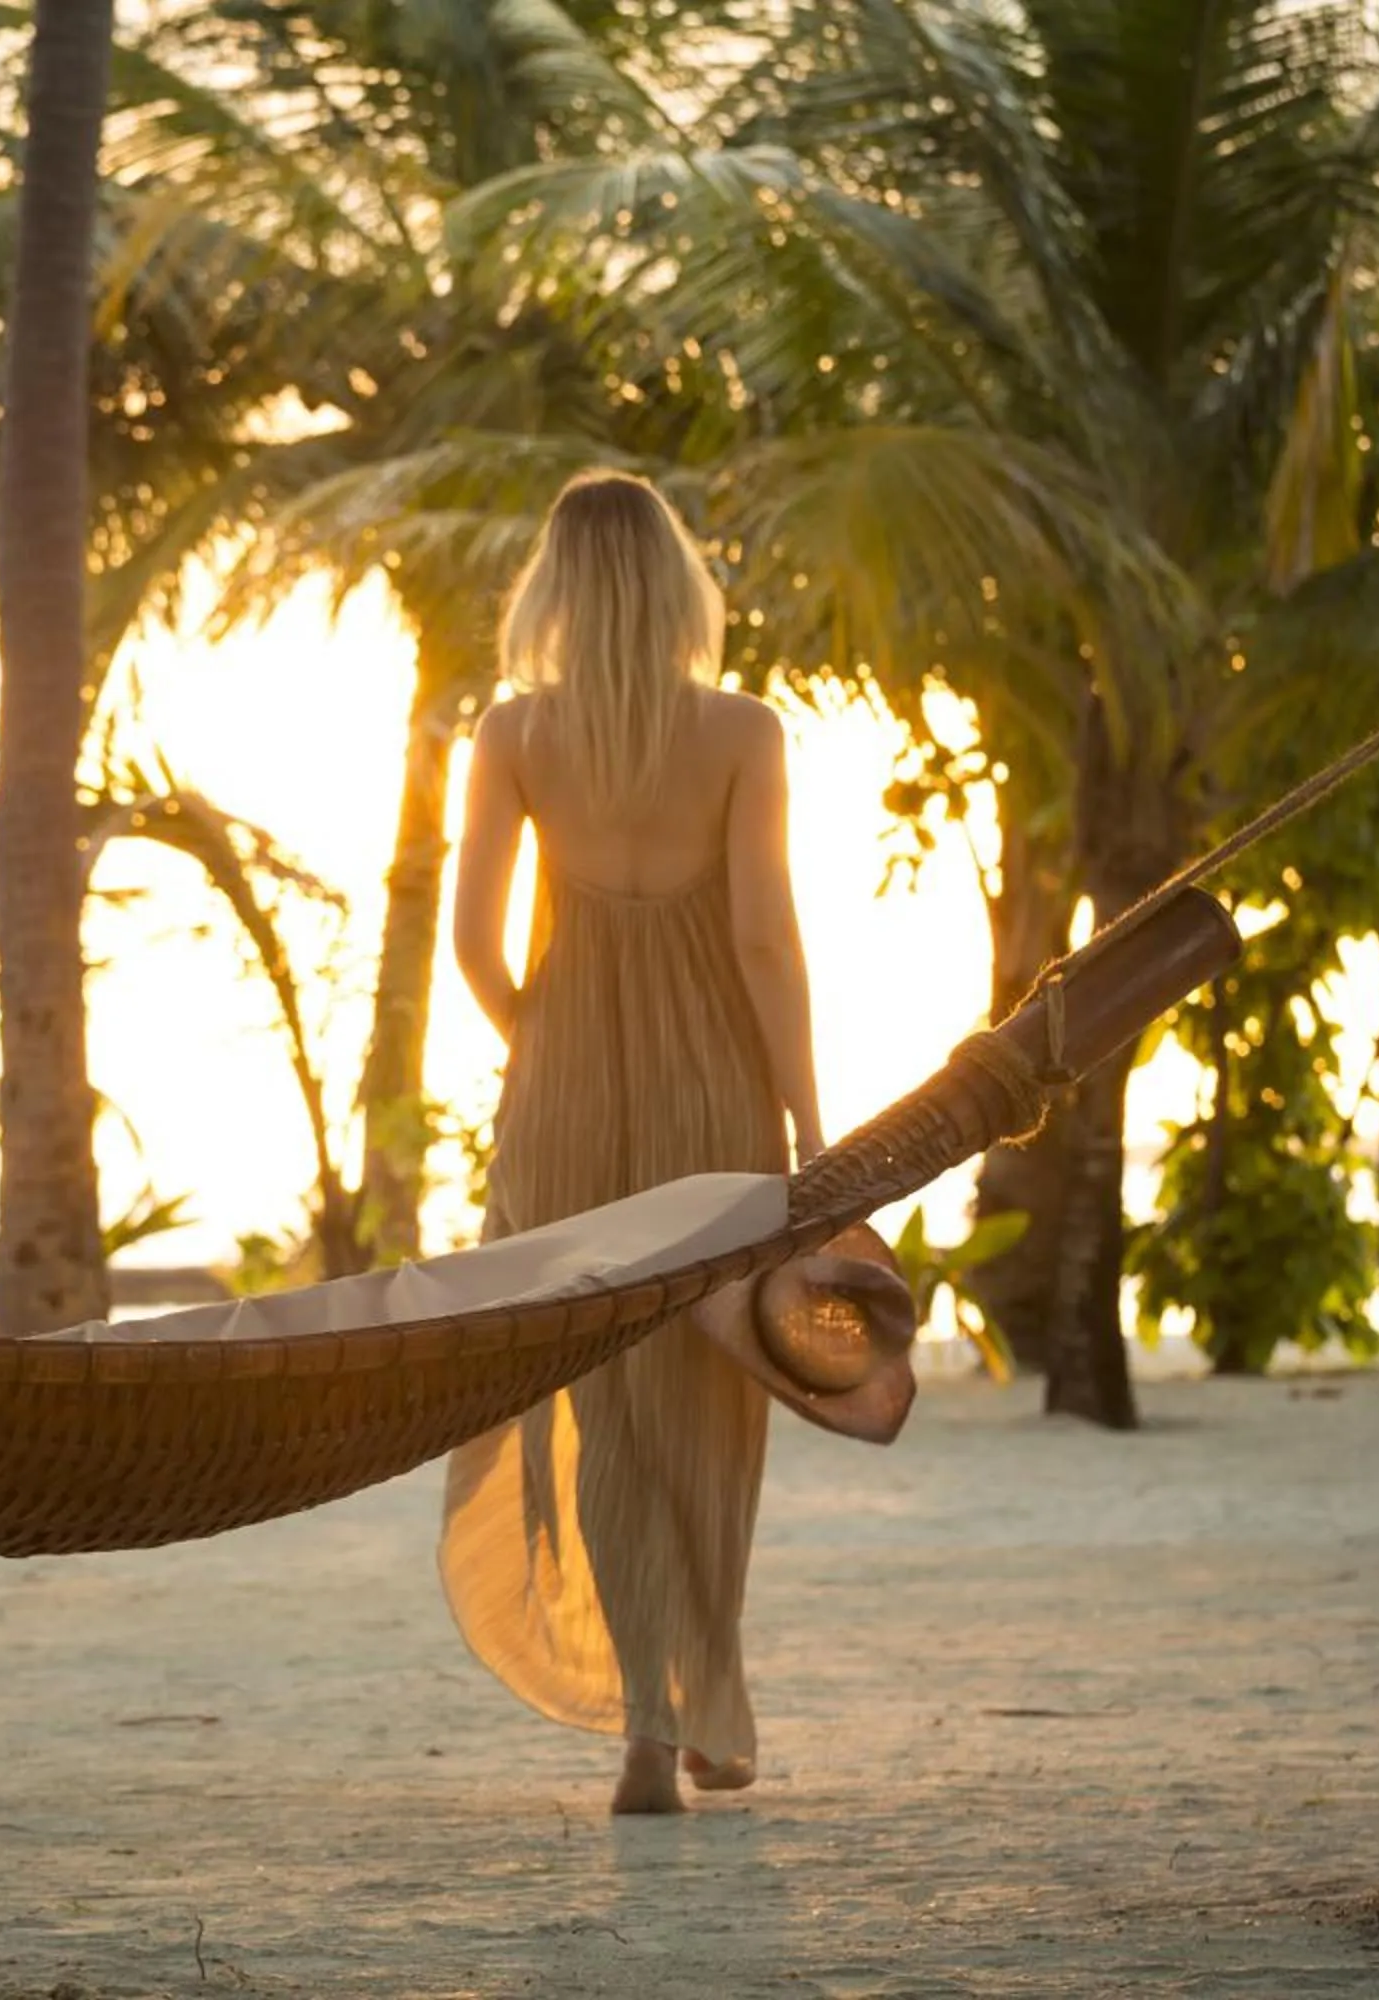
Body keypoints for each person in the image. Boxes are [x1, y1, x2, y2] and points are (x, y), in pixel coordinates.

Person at [437, 470, 830, 1816]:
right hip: (714, 1097)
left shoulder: (513, 734)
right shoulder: (742, 732)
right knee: (710, 1404)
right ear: (675, 585)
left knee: (603, 1411)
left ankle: (650, 1737)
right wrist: (811, 1119)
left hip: (560, 1099)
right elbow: (766, 941)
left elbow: (472, 943)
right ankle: (701, 1705)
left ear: (556, 587)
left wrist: (543, 1043)